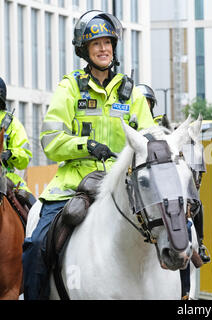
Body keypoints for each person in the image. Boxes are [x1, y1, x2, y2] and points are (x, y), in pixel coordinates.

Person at [22, 10, 155, 300]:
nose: (104, 48)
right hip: (73, 185)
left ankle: (185, 295)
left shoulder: (131, 94)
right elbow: (50, 139)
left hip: (123, 186)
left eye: (108, 42)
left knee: (175, 228)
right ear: (85, 49)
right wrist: (87, 145)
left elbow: (148, 137)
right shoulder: (69, 87)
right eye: (96, 44)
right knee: (36, 246)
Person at [0, 77, 36, 209]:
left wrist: (11, 154)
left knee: (36, 212)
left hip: (7, 178)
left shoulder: (11, 123)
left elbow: (25, 158)